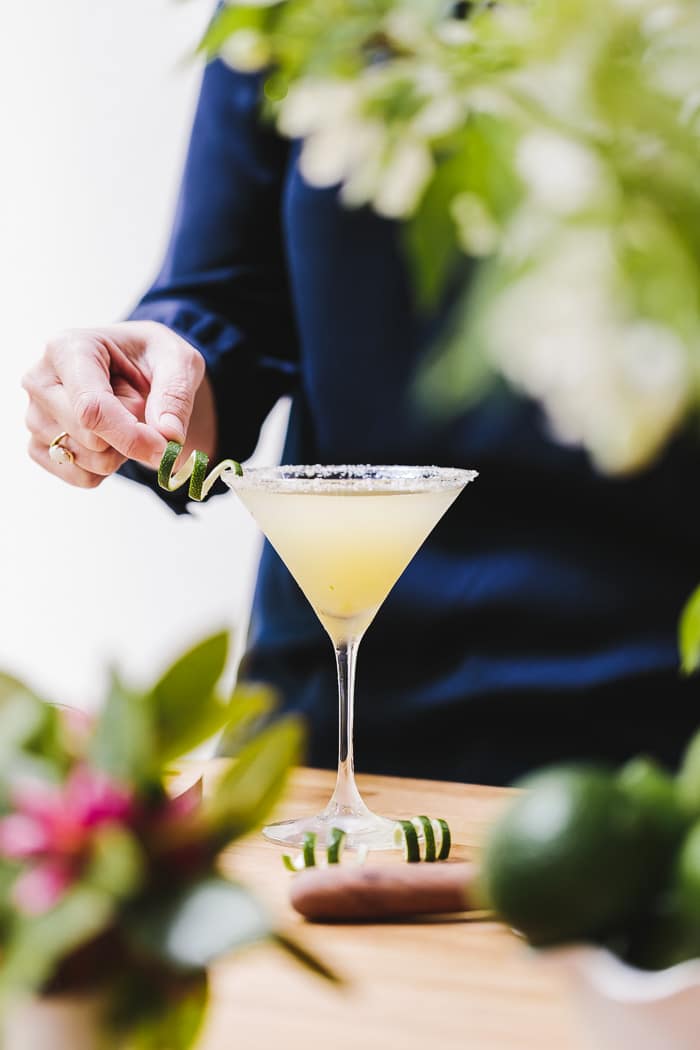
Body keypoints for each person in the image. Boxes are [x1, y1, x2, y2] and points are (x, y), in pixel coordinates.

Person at [22, 58, 700, 786]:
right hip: (312, 732)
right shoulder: (295, 22)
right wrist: (139, 398)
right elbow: (227, 310)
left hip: (653, 739)